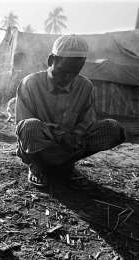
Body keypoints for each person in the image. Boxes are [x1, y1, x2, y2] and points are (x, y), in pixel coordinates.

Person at [15, 34, 126, 187]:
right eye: (62, 71)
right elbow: (22, 124)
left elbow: (87, 121)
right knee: (29, 127)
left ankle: (66, 163)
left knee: (113, 129)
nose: (67, 78)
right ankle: (38, 166)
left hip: (70, 144)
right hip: (40, 145)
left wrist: (76, 136)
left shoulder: (85, 86)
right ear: (51, 60)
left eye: (74, 73)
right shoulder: (30, 84)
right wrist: (61, 136)